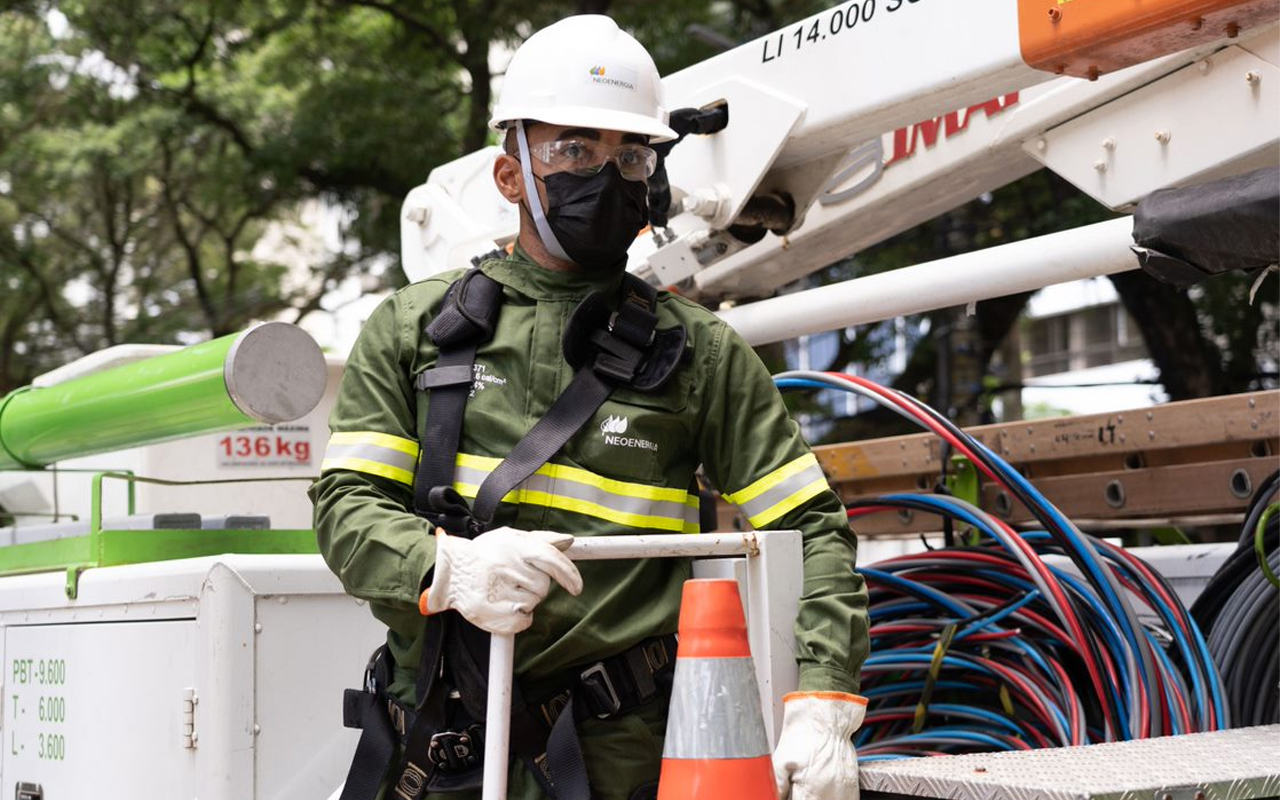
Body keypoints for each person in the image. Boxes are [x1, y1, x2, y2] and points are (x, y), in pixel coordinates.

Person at [311, 14, 869, 800]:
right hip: (440, 755)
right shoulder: (415, 329)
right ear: (511, 177)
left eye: (629, 154)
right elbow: (346, 509)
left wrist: (821, 702)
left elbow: (808, 528)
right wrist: (445, 567)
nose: (605, 176)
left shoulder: (700, 353)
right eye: (573, 149)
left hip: (621, 763)